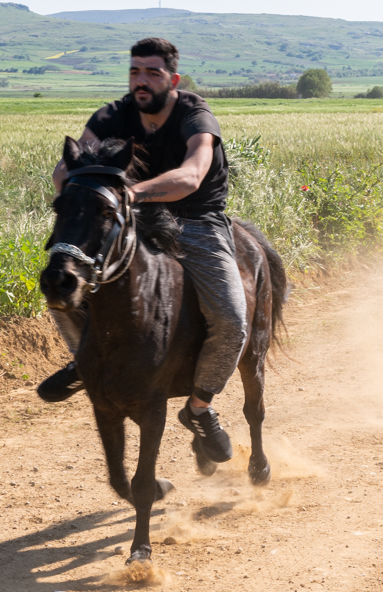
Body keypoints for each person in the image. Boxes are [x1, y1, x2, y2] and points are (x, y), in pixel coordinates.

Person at [36, 37, 247, 463]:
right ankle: (85, 361)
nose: (141, 81)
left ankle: (199, 407)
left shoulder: (195, 116)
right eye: (135, 72)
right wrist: (80, 186)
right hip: (133, 219)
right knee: (66, 278)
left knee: (231, 319)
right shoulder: (113, 115)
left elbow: (191, 176)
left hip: (196, 220)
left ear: (173, 79)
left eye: (152, 72)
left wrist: (130, 193)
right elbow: (67, 169)